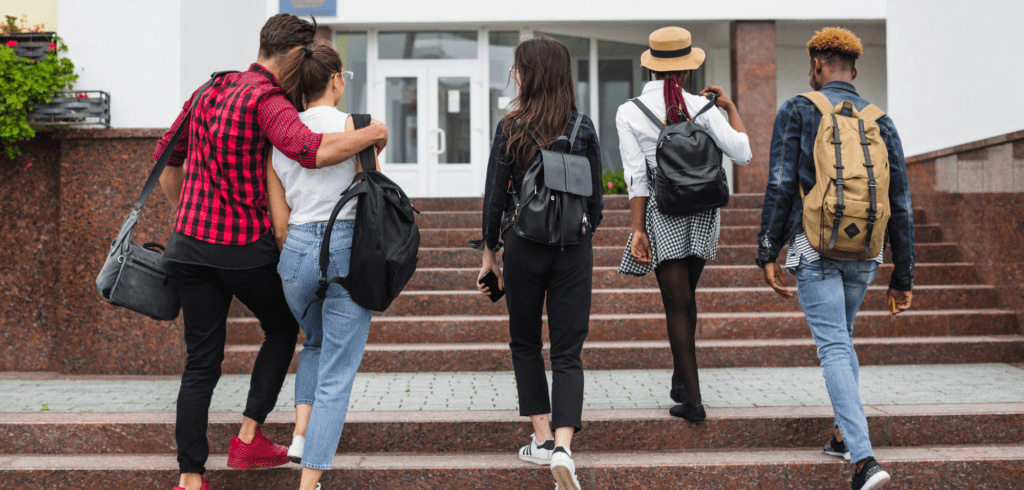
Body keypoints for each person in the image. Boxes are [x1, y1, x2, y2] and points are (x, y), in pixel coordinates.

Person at [155, 14, 387, 490]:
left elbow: (166, 159)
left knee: (200, 362)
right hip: (241, 247)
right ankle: (247, 436)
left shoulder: (208, 89)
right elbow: (308, 150)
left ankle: (191, 478)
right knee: (284, 327)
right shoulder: (267, 100)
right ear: (297, 55)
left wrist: (188, 211)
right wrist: (369, 134)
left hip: (188, 246)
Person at [755, 27, 915, 490]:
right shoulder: (880, 120)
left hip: (816, 246)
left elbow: (782, 182)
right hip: (867, 251)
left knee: (832, 347)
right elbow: (900, 201)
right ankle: (845, 437)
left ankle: (865, 462)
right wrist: (902, 277)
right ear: (855, 68)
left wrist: (768, 249)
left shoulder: (799, 108)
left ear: (818, 65)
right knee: (842, 340)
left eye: (812, 66)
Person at [475, 36, 604, 490]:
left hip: (524, 247)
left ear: (529, 74)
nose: (514, 73)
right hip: (573, 247)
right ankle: (566, 448)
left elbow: (494, 198)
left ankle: (543, 439)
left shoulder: (510, 126)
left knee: (525, 343)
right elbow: (597, 203)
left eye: (518, 67)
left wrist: (491, 252)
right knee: (568, 350)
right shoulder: (584, 126)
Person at [615, 27, 752, 421]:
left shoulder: (630, 111)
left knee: (677, 303)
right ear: (689, 71)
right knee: (686, 297)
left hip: (664, 209)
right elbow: (743, 154)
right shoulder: (704, 107)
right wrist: (729, 107)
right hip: (705, 209)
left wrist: (638, 229)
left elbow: (636, 177)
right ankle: (680, 382)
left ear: (653, 68)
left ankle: (693, 402)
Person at [265, 39, 380, 490]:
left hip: (295, 252)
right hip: (346, 249)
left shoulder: (279, 135)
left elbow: (279, 225)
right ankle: (308, 485)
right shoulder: (356, 127)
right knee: (338, 370)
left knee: (313, 343)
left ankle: (298, 436)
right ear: (336, 80)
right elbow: (369, 193)